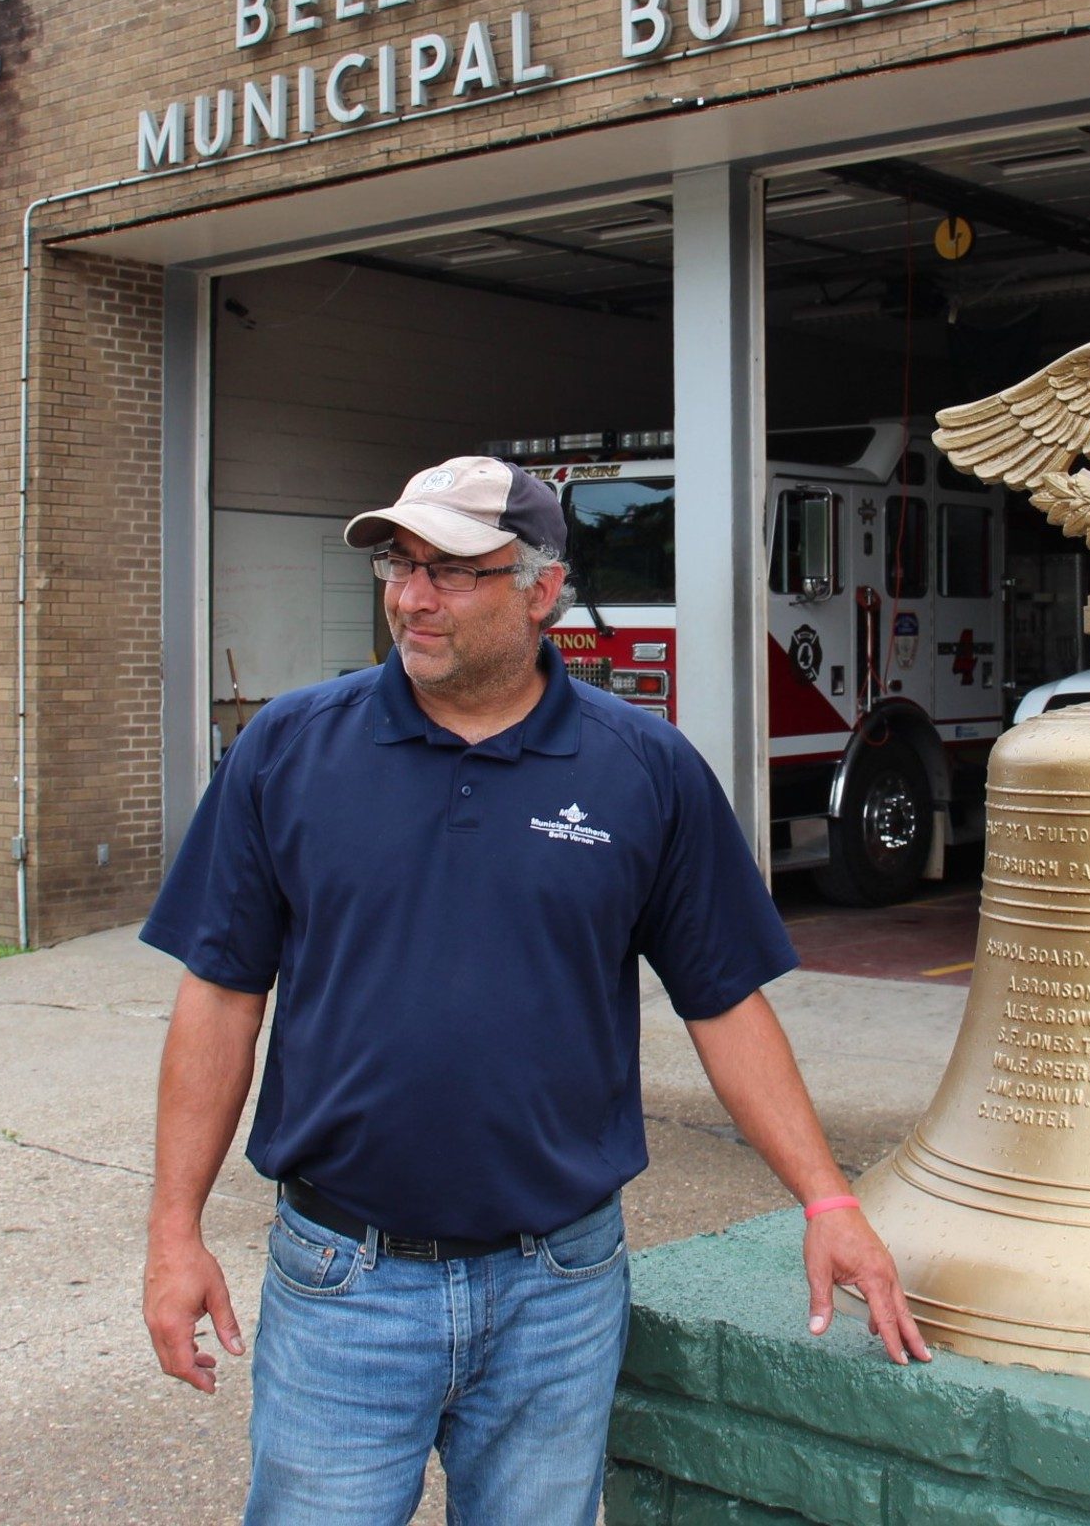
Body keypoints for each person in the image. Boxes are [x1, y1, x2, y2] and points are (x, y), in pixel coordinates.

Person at [140, 454, 928, 1525]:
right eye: (398, 563)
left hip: (557, 1291)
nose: (412, 597)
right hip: (343, 1285)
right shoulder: (288, 750)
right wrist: (173, 1231)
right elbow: (221, 996)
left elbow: (725, 1002)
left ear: (542, 590)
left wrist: (827, 1197)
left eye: (454, 572)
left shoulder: (643, 770)